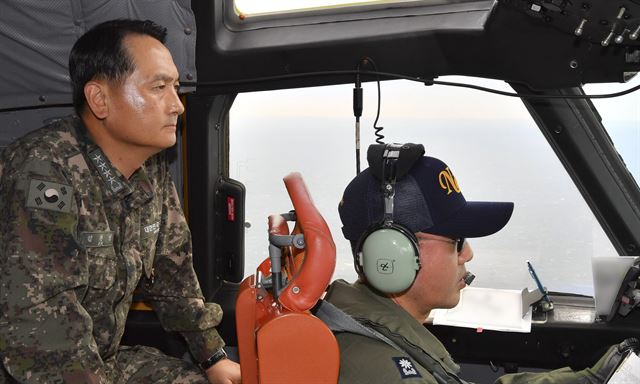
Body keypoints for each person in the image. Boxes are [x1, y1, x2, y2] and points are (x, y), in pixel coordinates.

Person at [0, 20, 241, 383]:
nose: (177, 106)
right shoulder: (43, 174)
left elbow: (173, 272)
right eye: (159, 87)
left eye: (175, 88)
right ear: (100, 99)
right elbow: (43, 330)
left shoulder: (151, 169)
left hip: (102, 360)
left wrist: (213, 357)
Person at [324, 143, 632, 384]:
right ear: (391, 254)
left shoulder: (382, 334)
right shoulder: (386, 370)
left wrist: (590, 379)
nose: (468, 253)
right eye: (456, 240)